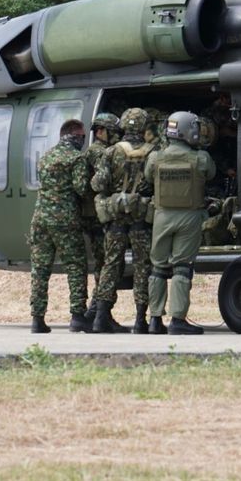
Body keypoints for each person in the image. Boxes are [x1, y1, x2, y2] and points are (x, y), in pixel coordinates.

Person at [145, 111, 215, 335]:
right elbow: (211, 174)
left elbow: (148, 177)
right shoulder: (201, 158)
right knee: (182, 268)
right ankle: (177, 320)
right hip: (188, 217)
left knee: (157, 268)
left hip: (162, 217)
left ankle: (155, 320)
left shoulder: (155, 157)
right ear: (188, 131)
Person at [91, 107, 157, 334]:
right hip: (141, 217)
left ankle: (101, 317)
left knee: (111, 263)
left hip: (116, 218)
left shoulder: (111, 152)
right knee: (143, 265)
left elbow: (98, 185)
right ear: (144, 127)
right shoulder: (153, 152)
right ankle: (141, 320)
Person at [29, 119, 91, 334]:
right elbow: (82, 189)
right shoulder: (76, 158)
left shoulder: (46, 157)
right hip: (64, 219)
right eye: (82, 137)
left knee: (40, 269)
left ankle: (37, 319)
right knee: (75, 266)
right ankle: (77, 316)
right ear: (76, 136)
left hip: (40, 219)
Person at [79, 112, 121, 327]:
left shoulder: (98, 151)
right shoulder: (98, 153)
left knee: (104, 265)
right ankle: (99, 315)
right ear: (101, 131)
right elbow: (103, 182)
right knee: (107, 266)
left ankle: (93, 314)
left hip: (95, 216)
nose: (116, 136)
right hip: (96, 218)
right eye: (113, 131)